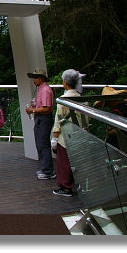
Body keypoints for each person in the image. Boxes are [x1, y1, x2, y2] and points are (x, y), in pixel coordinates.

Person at [51, 69, 86, 197]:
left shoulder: (63, 100)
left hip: (66, 136)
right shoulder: (82, 98)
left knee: (64, 162)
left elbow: (58, 120)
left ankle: (65, 187)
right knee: (75, 161)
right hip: (80, 134)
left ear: (65, 82)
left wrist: (54, 138)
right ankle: (75, 183)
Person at [94, 86, 127, 160]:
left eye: (107, 102)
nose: (107, 105)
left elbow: (115, 131)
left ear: (110, 100)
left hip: (121, 148)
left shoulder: (116, 112)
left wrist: (109, 131)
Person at [25, 68, 56, 180]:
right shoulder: (41, 89)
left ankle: (48, 171)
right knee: (41, 144)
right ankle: (45, 168)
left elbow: (47, 108)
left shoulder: (45, 90)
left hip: (44, 119)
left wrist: (32, 110)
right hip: (41, 119)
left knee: (43, 144)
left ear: (42, 78)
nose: (34, 80)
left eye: (36, 77)